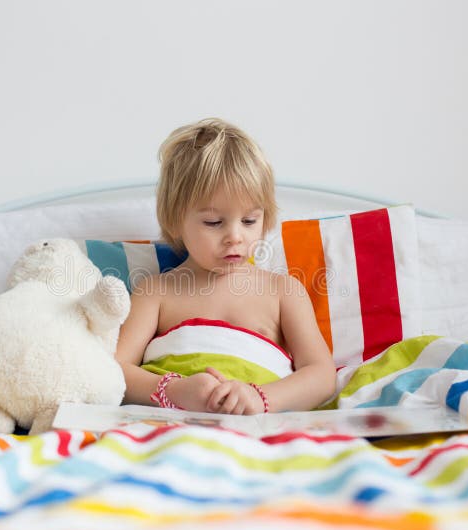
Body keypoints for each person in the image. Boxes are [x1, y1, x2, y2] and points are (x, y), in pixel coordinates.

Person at [114, 118, 336, 414]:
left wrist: (260, 397)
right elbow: (114, 370)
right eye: (213, 222)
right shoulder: (155, 291)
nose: (235, 237)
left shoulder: (283, 291)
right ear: (175, 220)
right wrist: (174, 390)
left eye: (249, 221)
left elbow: (321, 375)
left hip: (256, 430)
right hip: (170, 423)